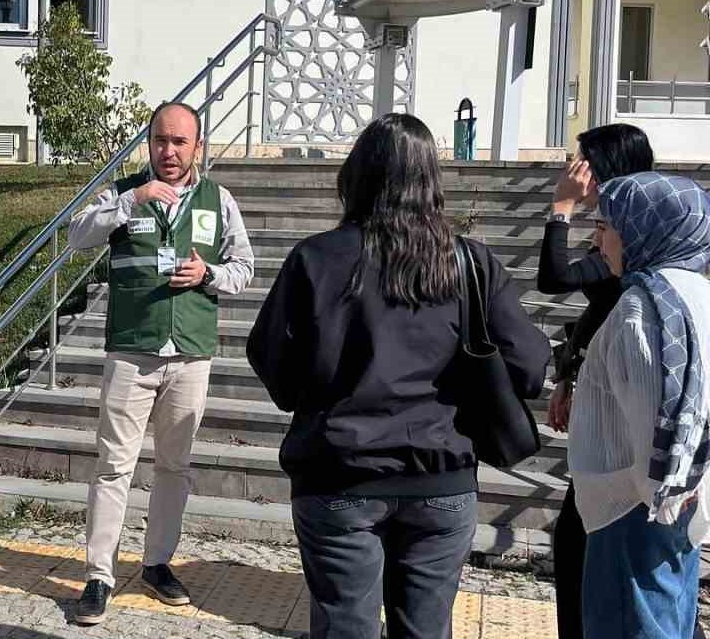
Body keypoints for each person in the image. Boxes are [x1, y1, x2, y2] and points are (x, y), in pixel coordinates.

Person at [247, 114, 550, 639]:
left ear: (356, 175)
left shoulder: (316, 258)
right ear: (431, 180)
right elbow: (529, 367)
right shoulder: (468, 263)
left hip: (338, 473)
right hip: (441, 475)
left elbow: (275, 365)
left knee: (344, 627)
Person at [66, 101, 254, 624]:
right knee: (113, 468)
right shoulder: (124, 191)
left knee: (174, 468)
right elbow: (79, 234)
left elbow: (245, 266)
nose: (168, 152)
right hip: (132, 352)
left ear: (198, 147)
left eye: (179, 142)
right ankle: (99, 576)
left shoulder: (219, 200)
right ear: (148, 142)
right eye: (160, 141)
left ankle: (157, 563)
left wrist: (209, 274)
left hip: (191, 354)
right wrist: (131, 200)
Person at [569, 172, 710, 639]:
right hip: (680, 500)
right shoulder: (697, 292)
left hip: (635, 507)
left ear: (642, 231)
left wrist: (660, 496)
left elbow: (657, 419)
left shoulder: (643, 306)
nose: (598, 239)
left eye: (607, 226)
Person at [536, 123, 660, 639]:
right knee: (577, 542)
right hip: (603, 402)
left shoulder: (634, 235)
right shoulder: (619, 229)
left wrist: (560, 209)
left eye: (581, 162)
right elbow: (595, 308)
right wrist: (567, 374)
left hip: (629, 420)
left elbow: (556, 278)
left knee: (585, 543)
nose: (572, 170)